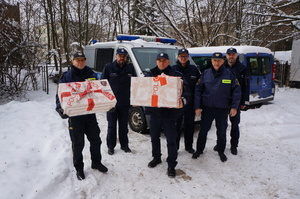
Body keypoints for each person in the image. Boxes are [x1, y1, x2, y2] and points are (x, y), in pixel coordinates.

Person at [55, 52, 108, 181]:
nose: (80, 62)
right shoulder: (67, 76)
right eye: (77, 60)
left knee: (96, 140)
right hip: (75, 115)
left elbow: (99, 91)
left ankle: (96, 162)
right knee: (78, 143)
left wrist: (107, 103)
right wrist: (59, 107)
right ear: (73, 62)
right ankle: (79, 167)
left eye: (83, 60)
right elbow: (60, 94)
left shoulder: (91, 74)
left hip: (90, 114)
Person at [192, 52, 241, 162]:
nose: (217, 62)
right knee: (203, 131)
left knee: (222, 131)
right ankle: (199, 150)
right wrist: (197, 106)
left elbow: (236, 91)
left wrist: (234, 107)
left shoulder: (229, 75)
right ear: (212, 61)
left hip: (222, 109)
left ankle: (221, 150)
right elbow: (198, 90)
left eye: (219, 60)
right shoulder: (205, 74)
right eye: (215, 60)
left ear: (223, 61)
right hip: (208, 108)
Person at [145, 52, 185, 178]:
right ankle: (156, 158)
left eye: (164, 60)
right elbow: (142, 90)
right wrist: (136, 100)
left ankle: (171, 164)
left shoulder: (176, 76)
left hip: (170, 114)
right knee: (154, 137)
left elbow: (186, 92)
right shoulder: (149, 75)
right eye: (159, 60)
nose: (161, 63)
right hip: (155, 113)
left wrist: (182, 102)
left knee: (171, 140)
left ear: (168, 62)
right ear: (156, 61)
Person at [101, 48, 136, 155]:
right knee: (111, 126)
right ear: (116, 56)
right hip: (112, 103)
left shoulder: (130, 68)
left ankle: (124, 145)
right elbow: (102, 83)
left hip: (125, 102)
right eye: (120, 55)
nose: (122, 58)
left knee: (123, 126)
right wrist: (105, 99)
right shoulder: (109, 67)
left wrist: (134, 98)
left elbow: (135, 84)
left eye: (124, 56)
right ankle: (111, 146)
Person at [214, 47, 249, 155]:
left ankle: (234, 145)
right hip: (223, 101)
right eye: (229, 54)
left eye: (233, 54)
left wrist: (244, 101)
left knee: (234, 125)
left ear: (236, 55)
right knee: (221, 125)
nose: (231, 56)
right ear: (226, 56)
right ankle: (219, 143)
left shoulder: (242, 68)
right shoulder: (222, 66)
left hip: (235, 102)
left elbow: (245, 86)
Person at [172, 48, 200, 154]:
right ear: (178, 57)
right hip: (177, 104)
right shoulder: (173, 69)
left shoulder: (194, 69)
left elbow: (198, 87)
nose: (183, 58)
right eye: (181, 56)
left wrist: (198, 104)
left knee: (189, 126)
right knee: (176, 127)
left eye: (185, 56)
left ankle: (189, 146)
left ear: (188, 57)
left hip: (190, 104)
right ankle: (175, 147)